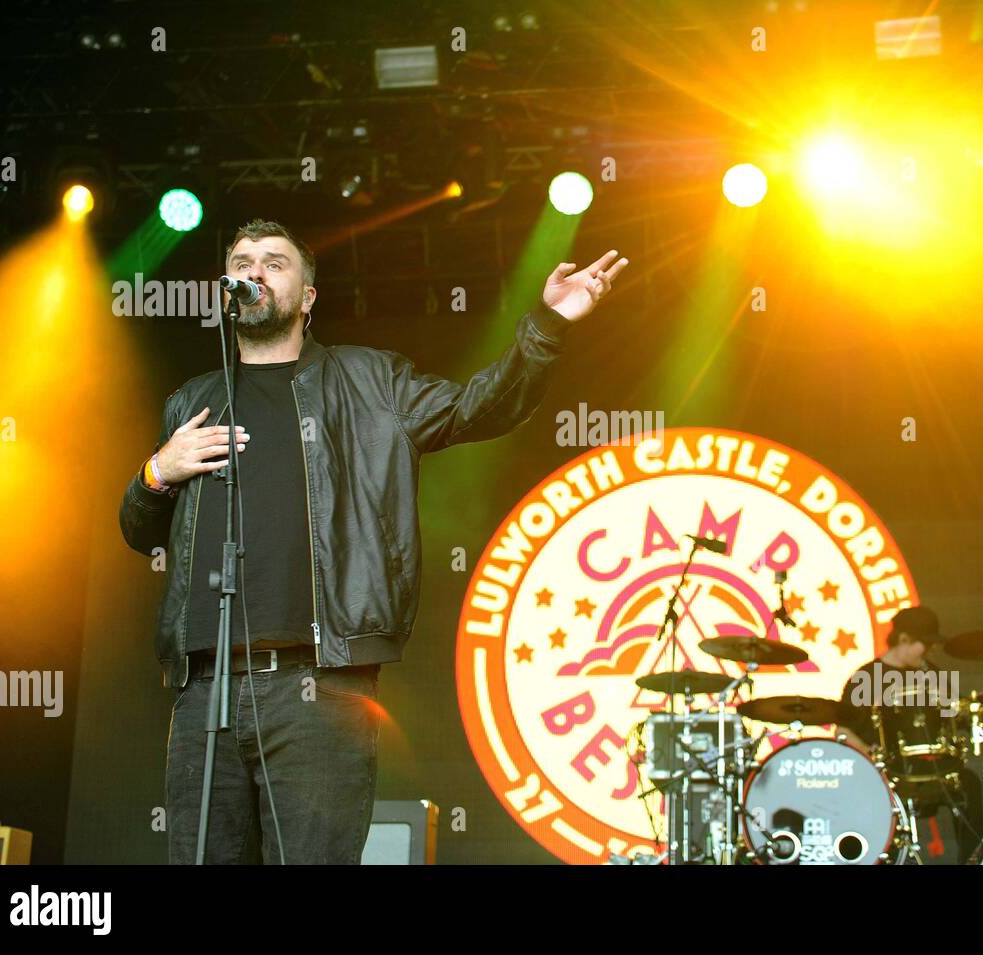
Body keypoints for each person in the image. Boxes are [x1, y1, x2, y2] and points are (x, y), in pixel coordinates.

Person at [119, 218, 628, 863]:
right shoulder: (195, 401)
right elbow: (142, 532)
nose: (253, 271)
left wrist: (547, 326)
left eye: (274, 262)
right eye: (241, 261)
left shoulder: (368, 383)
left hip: (319, 687)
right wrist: (156, 472)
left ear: (307, 296)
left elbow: (479, 407)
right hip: (205, 690)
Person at [834, 605, 983, 863]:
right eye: (925, 645)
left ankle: (973, 860)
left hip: (936, 769)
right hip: (888, 774)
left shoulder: (934, 674)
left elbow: (953, 719)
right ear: (903, 640)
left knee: (969, 784)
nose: (930, 651)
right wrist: (871, 755)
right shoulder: (866, 677)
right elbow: (843, 731)